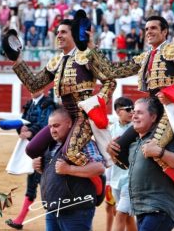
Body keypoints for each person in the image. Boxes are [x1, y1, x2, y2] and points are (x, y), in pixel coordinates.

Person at [100, 15, 174, 204]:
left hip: (169, 111)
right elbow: (114, 71)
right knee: (116, 147)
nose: (149, 31)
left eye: (153, 28)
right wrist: (90, 49)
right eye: (147, 28)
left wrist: (173, 95)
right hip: (149, 110)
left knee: (151, 148)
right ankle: (136, 174)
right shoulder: (145, 56)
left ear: (164, 31)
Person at [10, 18, 116, 167]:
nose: (58, 35)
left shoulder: (86, 55)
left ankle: (95, 174)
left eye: (63, 32)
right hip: (63, 115)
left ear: (74, 35)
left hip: (83, 116)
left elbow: (110, 81)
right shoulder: (56, 61)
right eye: (58, 32)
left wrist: (97, 102)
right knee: (32, 149)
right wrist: (17, 61)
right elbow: (34, 85)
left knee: (71, 152)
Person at [32, 108, 105, 231]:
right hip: (53, 207)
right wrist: (40, 168)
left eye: (56, 126)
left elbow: (99, 168)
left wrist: (69, 169)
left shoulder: (83, 143)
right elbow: (56, 172)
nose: (52, 130)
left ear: (69, 124)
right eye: (50, 127)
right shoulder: (52, 144)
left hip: (76, 210)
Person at [119, 97, 174, 231]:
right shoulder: (134, 144)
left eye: (140, 113)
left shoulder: (162, 140)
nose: (134, 116)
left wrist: (160, 152)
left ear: (153, 117)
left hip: (159, 208)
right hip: (141, 209)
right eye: (134, 112)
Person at [5, 89, 55, 230]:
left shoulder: (48, 104)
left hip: (47, 151)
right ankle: (20, 220)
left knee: (48, 186)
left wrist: (31, 131)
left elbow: (47, 124)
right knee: (32, 184)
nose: (33, 90)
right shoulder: (29, 104)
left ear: (43, 88)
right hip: (33, 150)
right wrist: (21, 129)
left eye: (36, 87)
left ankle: (54, 221)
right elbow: (22, 121)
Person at [106, 97, 136, 231]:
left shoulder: (137, 128)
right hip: (115, 179)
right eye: (128, 109)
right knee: (128, 217)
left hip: (131, 178)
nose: (132, 112)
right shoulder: (111, 130)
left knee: (121, 213)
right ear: (118, 111)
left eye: (133, 109)